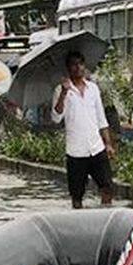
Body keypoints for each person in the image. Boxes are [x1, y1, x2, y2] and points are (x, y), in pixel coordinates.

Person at [52, 50, 115, 209]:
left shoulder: (93, 88)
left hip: (96, 147)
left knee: (107, 188)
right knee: (77, 196)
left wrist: (108, 143)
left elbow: (101, 118)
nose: (78, 67)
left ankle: (103, 215)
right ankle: (79, 219)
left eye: (80, 63)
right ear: (68, 68)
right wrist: (64, 93)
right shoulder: (60, 90)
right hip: (76, 151)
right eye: (74, 64)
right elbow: (56, 117)